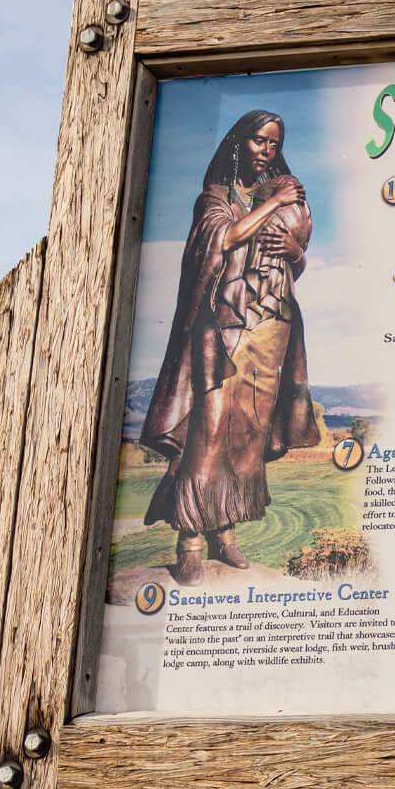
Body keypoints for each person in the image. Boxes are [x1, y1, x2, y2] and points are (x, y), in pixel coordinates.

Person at [139, 110, 320, 585]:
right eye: (261, 141)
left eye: (275, 144)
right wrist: (275, 201)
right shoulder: (216, 198)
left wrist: (295, 249)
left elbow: (293, 262)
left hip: (270, 326)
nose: (268, 151)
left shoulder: (281, 200)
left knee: (248, 432)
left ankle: (225, 534)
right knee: (210, 428)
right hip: (219, 328)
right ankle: (190, 541)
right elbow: (223, 238)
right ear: (239, 143)